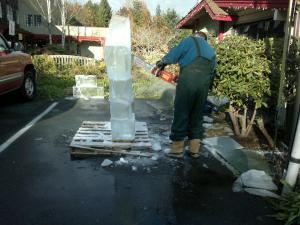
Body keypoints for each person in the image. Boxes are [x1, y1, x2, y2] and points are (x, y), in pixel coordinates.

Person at [156, 30, 216, 158]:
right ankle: (194, 149)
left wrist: (163, 62)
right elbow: (211, 71)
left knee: (182, 112)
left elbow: (174, 54)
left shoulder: (189, 41)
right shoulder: (210, 50)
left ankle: (177, 149)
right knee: (197, 114)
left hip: (188, 82)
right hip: (203, 85)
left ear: (195, 36)